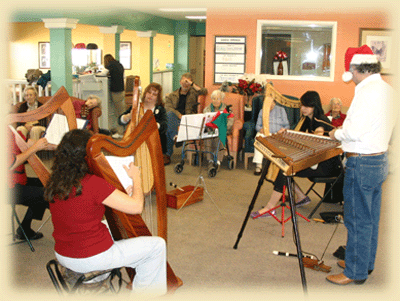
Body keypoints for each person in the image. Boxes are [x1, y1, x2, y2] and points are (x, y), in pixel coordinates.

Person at [43, 129, 167, 296]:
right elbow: (137, 206)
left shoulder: (55, 181)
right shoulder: (93, 183)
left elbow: (82, 208)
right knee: (157, 246)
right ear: (87, 157)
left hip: (63, 255)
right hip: (91, 259)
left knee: (106, 224)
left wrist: (126, 196)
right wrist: (136, 177)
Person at [327, 45, 395, 285]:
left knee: (356, 220)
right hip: (378, 160)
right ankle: (364, 263)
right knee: (370, 218)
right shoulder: (386, 89)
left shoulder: (367, 92)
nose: (351, 76)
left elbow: (354, 131)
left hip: (362, 163)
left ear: (357, 68)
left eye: (351, 71)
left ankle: (354, 272)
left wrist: (336, 133)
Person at [251, 91, 342, 219]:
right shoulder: (306, 119)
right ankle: (301, 197)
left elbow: (319, 132)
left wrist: (318, 133)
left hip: (326, 166)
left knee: (285, 170)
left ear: (314, 106)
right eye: (302, 105)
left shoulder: (320, 119)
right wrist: (285, 132)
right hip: (315, 160)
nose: (303, 109)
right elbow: (297, 134)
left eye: (307, 106)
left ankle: (270, 208)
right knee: (282, 165)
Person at [8, 127, 54, 240]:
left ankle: (24, 228)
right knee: (47, 195)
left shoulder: (11, 132)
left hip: (19, 181)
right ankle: (67, 230)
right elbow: (11, 163)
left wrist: (62, 145)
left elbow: (30, 144)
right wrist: (35, 148)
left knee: (48, 184)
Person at [118, 83, 168, 164]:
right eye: (149, 92)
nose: (150, 95)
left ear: (157, 98)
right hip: (136, 142)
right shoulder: (137, 107)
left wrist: (152, 124)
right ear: (145, 93)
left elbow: (164, 126)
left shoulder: (160, 110)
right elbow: (120, 120)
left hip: (154, 144)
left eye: (154, 94)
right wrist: (128, 116)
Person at [164, 73, 207, 165]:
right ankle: (175, 137)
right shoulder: (172, 95)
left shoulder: (193, 93)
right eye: (183, 81)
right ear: (180, 82)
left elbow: (204, 91)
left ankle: (168, 154)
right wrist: (178, 114)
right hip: (176, 119)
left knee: (169, 126)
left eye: (187, 82)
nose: (185, 84)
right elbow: (167, 107)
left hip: (188, 119)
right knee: (170, 116)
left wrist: (192, 84)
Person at [252, 99, 290, 175]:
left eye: (270, 102)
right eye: (266, 102)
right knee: (258, 138)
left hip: (277, 134)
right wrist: (260, 129)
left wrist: (283, 130)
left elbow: (287, 125)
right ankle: (258, 166)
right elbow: (257, 126)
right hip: (265, 134)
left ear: (274, 102)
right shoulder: (262, 111)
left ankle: (278, 166)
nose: (269, 104)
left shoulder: (281, 110)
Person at [203, 90, 234, 162]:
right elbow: (205, 121)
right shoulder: (207, 109)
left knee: (220, 134)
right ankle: (210, 160)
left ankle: (218, 161)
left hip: (223, 129)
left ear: (221, 99)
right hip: (210, 130)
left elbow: (230, 122)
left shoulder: (227, 109)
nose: (216, 101)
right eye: (214, 98)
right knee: (207, 136)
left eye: (218, 98)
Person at [103, 54, 125, 138]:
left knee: (119, 113)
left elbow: (103, 73)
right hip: (121, 90)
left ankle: (121, 132)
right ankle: (120, 131)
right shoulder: (119, 64)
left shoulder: (110, 65)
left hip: (116, 91)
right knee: (120, 111)